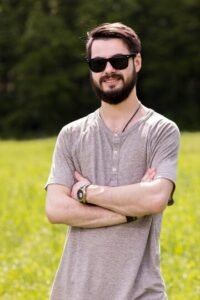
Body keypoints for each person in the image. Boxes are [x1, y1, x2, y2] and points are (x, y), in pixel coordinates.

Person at [45, 22, 180, 300]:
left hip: (141, 291)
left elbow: (154, 198)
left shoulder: (162, 130)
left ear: (137, 62)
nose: (108, 70)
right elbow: (56, 209)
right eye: (98, 63)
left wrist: (85, 192)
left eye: (118, 60)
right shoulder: (71, 135)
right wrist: (130, 211)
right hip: (74, 292)